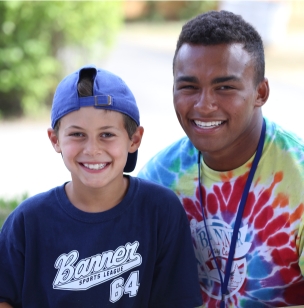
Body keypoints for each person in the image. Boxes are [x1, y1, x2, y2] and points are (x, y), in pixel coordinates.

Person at [138, 10, 304, 307]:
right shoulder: (158, 178)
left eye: (224, 87)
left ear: (260, 92)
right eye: (188, 87)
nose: (204, 104)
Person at [0, 65, 202, 308]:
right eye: (77, 135)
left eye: (107, 135)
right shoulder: (28, 221)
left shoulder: (160, 211)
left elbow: (178, 300)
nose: (92, 149)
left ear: (134, 139)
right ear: (55, 140)